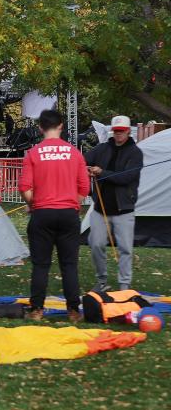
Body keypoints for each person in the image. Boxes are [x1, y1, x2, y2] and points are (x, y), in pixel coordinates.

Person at [18, 109, 90, 323]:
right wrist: (72, 205)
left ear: (40, 128)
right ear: (61, 126)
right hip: (68, 215)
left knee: (41, 265)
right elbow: (84, 187)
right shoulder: (74, 153)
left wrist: (33, 204)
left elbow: (24, 187)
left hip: (42, 214)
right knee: (69, 265)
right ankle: (73, 311)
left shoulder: (33, 153)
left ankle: (37, 310)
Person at [84, 115, 143, 292]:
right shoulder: (102, 149)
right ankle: (102, 281)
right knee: (95, 244)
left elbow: (127, 177)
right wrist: (85, 169)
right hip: (100, 209)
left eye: (121, 131)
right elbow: (83, 160)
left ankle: (124, 284)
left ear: (128, 131)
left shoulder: (135, 153)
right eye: (116, 131)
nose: (118, 134)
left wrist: (101, 172)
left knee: (125, 248)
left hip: (124, 210)